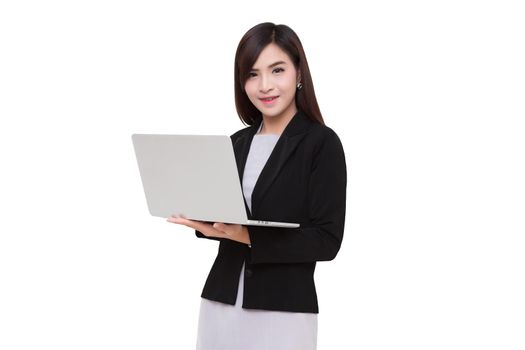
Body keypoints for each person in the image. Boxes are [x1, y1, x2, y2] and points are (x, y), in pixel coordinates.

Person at [167, 22, 347, 350]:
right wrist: (202, 221)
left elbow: (327, 241)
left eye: (277, 70)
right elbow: (226, 216)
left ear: (299, 73)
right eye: (252, 74)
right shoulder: (235, 143)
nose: (265, 85)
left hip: (282, 312)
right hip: (220, 304)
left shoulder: (321, 143)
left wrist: (247, 235)